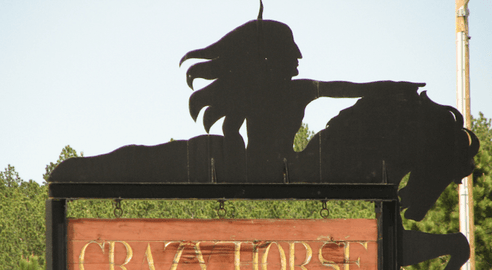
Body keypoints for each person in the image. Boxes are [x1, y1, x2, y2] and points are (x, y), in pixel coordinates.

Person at [180, 17, 424, 181]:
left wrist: (394, 87)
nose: (298, 55)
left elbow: (351, 89)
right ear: (275, 56)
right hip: (276, 172)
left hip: (281, 168)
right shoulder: (284, 91)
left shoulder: (294, 90)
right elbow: (232, 133)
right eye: (290, 49)